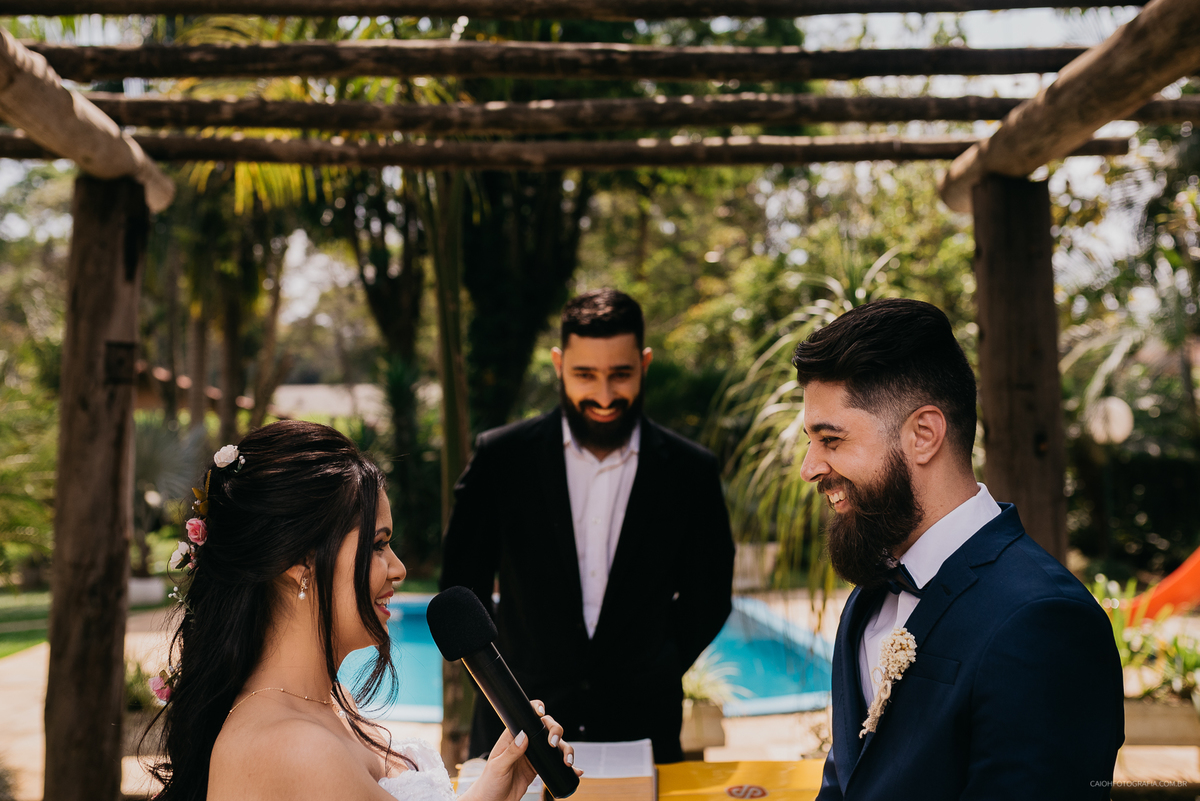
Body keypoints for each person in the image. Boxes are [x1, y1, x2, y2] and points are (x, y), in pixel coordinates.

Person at [793, 299, 1123, 800]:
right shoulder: (870, 596)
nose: (809, 468)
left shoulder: (1045, 621)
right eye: (810, 441)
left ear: (924, 435)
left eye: (831, 440)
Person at [147, 420, 580, 801]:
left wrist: (497, 788)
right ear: (300, 561)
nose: (399, 568)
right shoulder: (294, 747)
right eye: (377, 545)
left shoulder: (332, 705)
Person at [441, 288, 735, 764]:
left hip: (643, 731)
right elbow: (460, 587)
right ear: (558, 365)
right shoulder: (500, 458)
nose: (603, 395)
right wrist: (503, 683)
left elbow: (711, 595)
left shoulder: (691, 471)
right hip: (514, 734)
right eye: (585, 375)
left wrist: (656, 667)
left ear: (644, 364)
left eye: (620, 374)